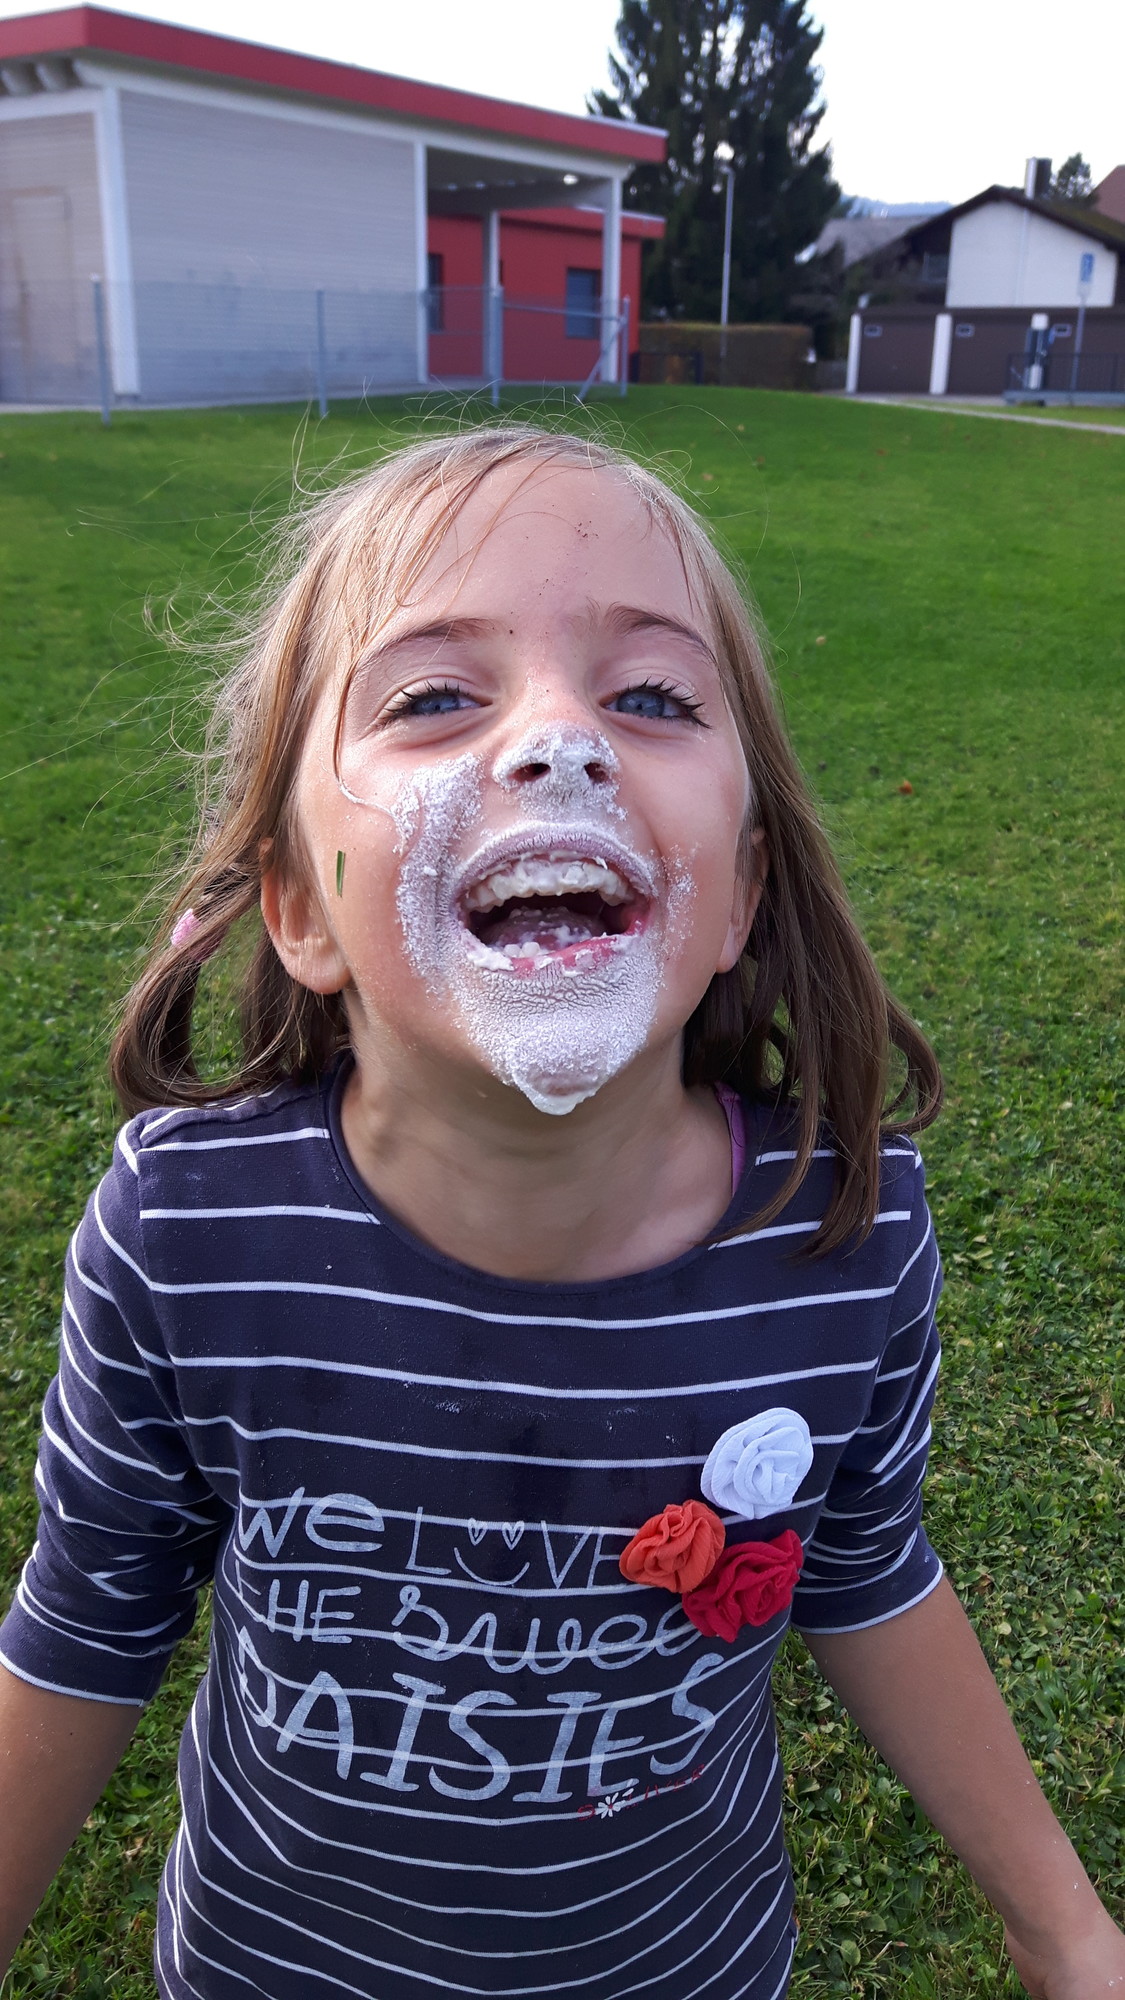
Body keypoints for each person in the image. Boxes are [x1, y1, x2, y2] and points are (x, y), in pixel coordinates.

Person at [0, 427, 1120, 2000]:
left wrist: (1063, 1925)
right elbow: (89, 1617)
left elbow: (861, 1566)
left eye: (650, 697)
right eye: (431, 697)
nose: (559, 741)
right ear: (301, 906)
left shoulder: (840, 1237)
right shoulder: (188, 1232)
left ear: (737, 893)